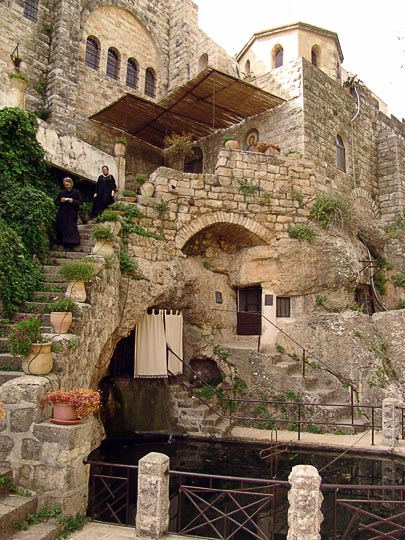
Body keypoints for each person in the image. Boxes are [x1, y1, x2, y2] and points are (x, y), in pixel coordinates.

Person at [55, 177, 83, 250]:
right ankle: (64, 243)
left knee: (71, 229)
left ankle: (71, 245)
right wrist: (61, 201)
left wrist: (73, 201)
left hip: (72, 214)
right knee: (63, 228)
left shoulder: (76, 192)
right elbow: (56, 202)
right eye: (65, 185)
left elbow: (80, 202)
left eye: (68, 184)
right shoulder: (62, 192)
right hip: (63, 213)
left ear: (71, 184)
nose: (66, 186)